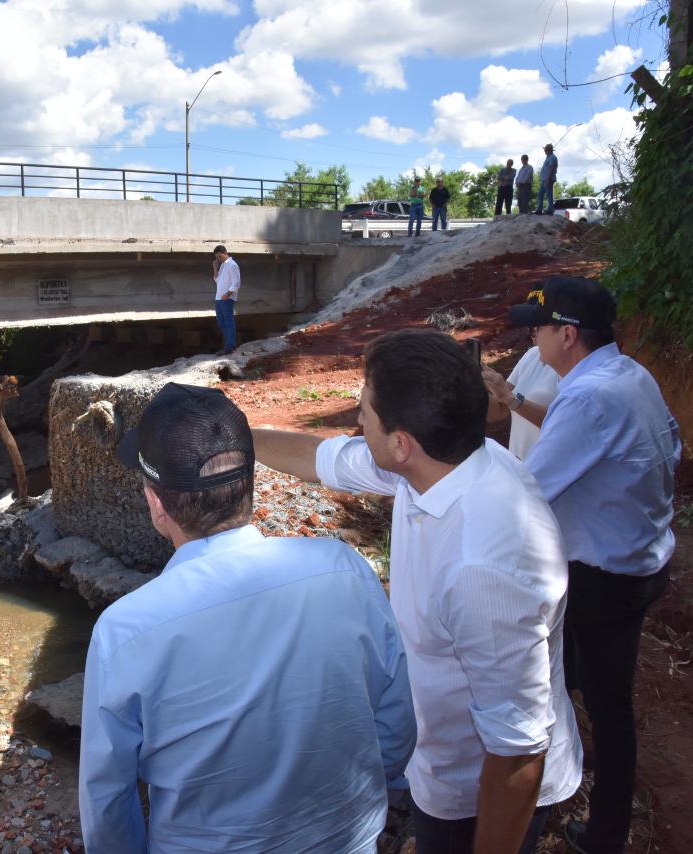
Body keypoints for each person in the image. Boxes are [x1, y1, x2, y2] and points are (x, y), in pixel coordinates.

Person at [255, 330, 581, 854]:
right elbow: (324, 458)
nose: (357, 419)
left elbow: (518, 752)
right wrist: (236, 435)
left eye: (364, 410)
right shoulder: (443, 464)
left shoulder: (484, 564)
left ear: (401, 443)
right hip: (443, 766)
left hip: (480, 797)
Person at [80, 382, 416, 854]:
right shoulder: (344, 569)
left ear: (156, 504)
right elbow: (396, 718)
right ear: (249, 483)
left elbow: (108, 799)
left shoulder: (125, 631)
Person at [507, 277, 681, 854]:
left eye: (538, 328)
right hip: (640, 558)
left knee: (594, 704)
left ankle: (596, 832)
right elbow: (672, 447)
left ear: (568, 335)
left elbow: (530, 490)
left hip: (603, 579)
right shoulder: (630, 375)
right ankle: (569, 797)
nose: (532, 338)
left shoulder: (586, 397)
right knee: (580, 683)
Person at [483, 289, 560, 460]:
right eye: (530, 329)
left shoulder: (577, 372)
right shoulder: (533, 355)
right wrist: (477, 383)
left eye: (536, 328)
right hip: (524, 469)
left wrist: (512, 400)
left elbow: (565, 423)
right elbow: (497, 412)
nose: (533, 336)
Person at [211, 244, 240, 354]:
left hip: (227, 298)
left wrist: (228, 294)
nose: (219, 259)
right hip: (219, 297)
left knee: (228, 321)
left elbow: (236, 283)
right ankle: (228, 344)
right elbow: (217, 280)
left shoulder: (232, 265)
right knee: (221, 322)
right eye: (217, 257)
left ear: (225, 253)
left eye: (220, 256)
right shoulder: (223, 265)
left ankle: (230, 346)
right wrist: (215, 268)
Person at [536, 144, 558, 215]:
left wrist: (549, 178)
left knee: (549, 195)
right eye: (545, 150)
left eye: (546, 150)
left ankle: (550, 209)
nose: (545, 151)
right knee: (540, 194)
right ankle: (539, 209)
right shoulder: (548, 157)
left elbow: (551, 168)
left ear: (549, 150)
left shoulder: (552, 157)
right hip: (544, 179)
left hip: (548, 179)